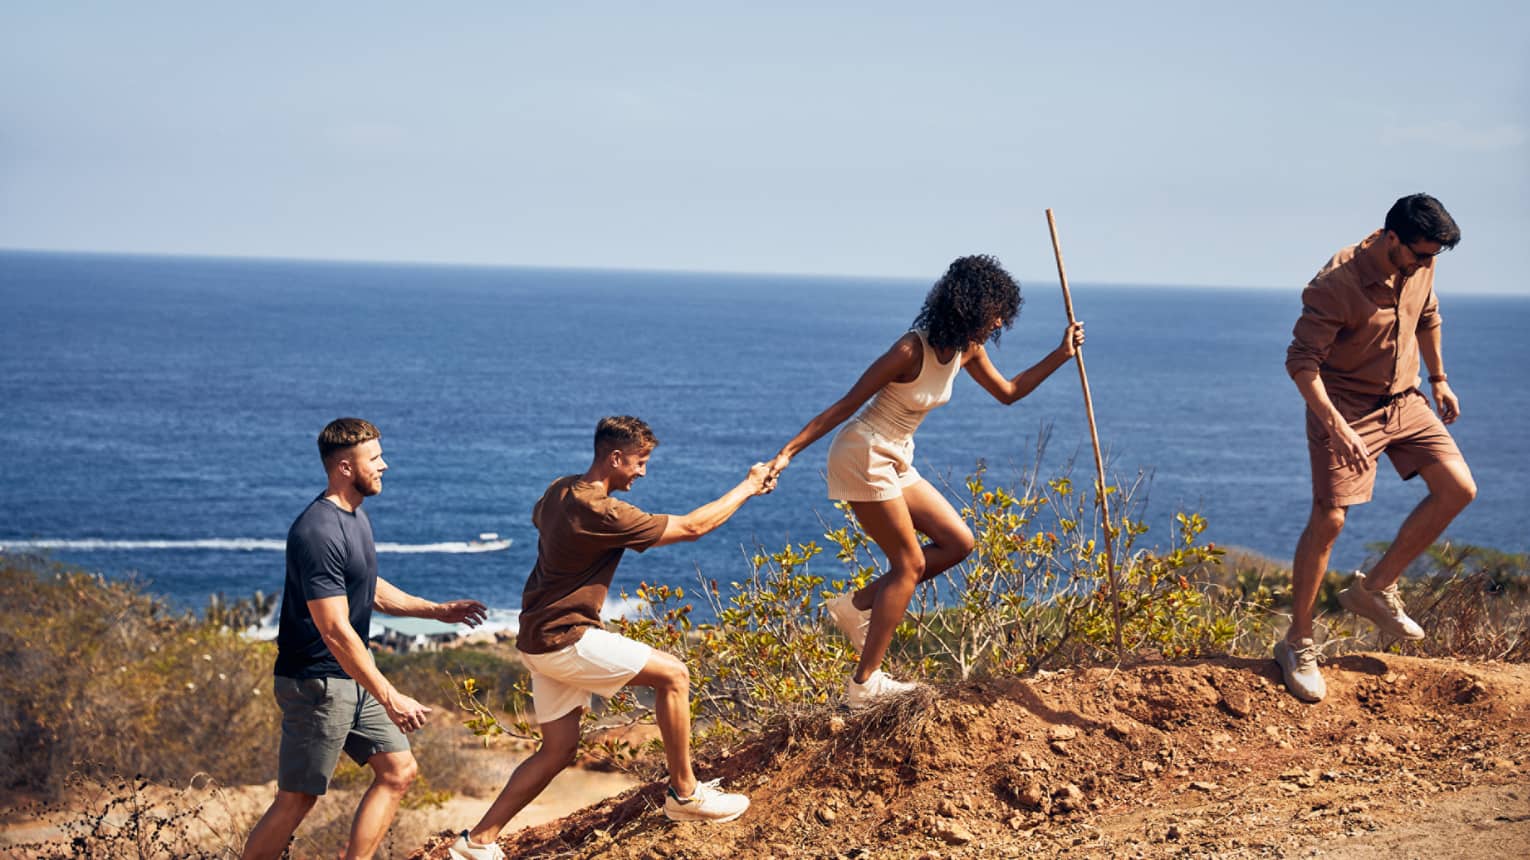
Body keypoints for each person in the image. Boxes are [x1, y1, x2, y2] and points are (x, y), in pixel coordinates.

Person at [768, 255, 1084, 708]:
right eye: (994, 311)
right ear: (969, 306)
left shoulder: (968, 349)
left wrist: (1062, 354)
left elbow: (1009, 393)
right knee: (909, 564)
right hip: (863, 452)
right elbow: (844, 405)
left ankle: (855, 606)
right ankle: (864, 686)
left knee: (958, 542)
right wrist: (786, 454)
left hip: (896, 455)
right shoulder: (909, 350)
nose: (999, 321)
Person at [449, 416, 771, 860]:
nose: (643, 472)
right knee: (674, 675)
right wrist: (749, 486)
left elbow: (538, 518)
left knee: (558, 750)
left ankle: (477, 842)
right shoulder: (603, 511)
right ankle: (686, 795)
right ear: (615, 458)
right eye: (640, 462)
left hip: (535, 638)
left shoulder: (560, 489)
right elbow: (694, 527)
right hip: (565, 637)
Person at [243, 418, 489, 860]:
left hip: (350, 677)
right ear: (343, 466)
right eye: (374, 459)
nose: (384, 465)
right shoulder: (317, 531)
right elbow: (335, 629)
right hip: (317, 683)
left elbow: (366, 586)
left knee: (398, 770)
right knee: (297, 798)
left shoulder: (354, 518)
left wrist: (436, 611)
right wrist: (390, 695)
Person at [1277, 193, 1475, 702]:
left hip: (1404, 398)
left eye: (1434, 256)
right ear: (1392, 239)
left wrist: (1439, 379)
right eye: (1420, 254)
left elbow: (1428, 316)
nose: (1427, 263)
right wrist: (1337, 426)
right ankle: (1298, 642)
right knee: (1331, 518)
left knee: (1458, 489)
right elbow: (1301, 364)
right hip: (1343, 404)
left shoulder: (1421, 266)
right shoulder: (1335, 285)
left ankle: (1373, 588)